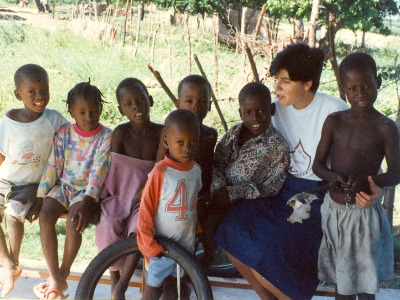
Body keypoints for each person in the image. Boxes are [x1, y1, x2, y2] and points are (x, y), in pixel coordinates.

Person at [213, 43, 383, 300]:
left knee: (276, 245)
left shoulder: (334, 110)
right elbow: (240, 136)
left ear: (307, 83)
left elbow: (369, 162)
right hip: (282, 190)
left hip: (321, 195)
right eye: (276, 80)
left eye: (285, 81)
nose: (277, 88)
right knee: (231, 226)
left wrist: (375, 191)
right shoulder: (272, 109)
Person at [313, 52, 400, 300]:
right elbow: (317, 165)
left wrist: (369, 182)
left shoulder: (385, 127)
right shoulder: (334, 121)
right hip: (335, 214)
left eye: (367, 86)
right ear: (343, 89)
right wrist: (334, 177)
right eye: (352, 88)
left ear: (379, 82)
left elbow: (396, 173)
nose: (360, 93)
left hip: (364, 216)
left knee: (364, 284)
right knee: (343, 284)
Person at [34, 82, 112, 299]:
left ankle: (64, 272)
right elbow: (53, 165)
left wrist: (89, 200)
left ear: (101, 109)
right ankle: (54, 274)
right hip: (63, 186)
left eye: (94, 111)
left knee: (73, 222)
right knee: (45, 216)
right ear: (71, 112)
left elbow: (99, 171)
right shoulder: (64, 134)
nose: (89, 116)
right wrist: (42, 195)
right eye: (82, 112)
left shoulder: (105, 136)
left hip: (86, 193)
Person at [0, 64, 68, 298]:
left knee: (12, 212)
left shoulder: (54, 119)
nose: (40, 97)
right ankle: (7, 263)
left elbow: (71, 142)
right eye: (32, 92)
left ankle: (14, 260)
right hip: (7, 180)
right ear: (18, 94)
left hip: (34, 184)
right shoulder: (7, 122)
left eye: (44, 90)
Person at [95, 78, 163, 299]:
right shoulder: (121, 133)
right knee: (107, 226)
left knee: (138, 229)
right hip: (119, 192)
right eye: (128, 104)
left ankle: (123, 284)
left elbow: (158, 170)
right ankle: (114, 279)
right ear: (121, 109)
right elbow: (111, 169)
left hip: (145, 196)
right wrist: (100, 198)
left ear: (150, 100)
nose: (136, 107)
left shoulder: (161, 133)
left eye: (140, 100)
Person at [205, 81, 289, 254]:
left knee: (215, 219)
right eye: (248, 112)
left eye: (261, 111)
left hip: (248, 199)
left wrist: (233, 192)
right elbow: (218, 161)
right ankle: (201, 250)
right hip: (219, 191)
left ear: (271, 110)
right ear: (240, 113)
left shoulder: (278, 147)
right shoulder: (234, 133)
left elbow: (271, 187)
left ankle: (208, 254)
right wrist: (219, 188)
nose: (255, 118)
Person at [137, 109, 201, 300]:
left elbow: (191, 205)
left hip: (184, 247)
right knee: (152, 292)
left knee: (176, 291)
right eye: (180, 142)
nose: (186, 148)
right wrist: (148, 244)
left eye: (192, 143)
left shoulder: (196, 171)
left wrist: (196, 232)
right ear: (166, 141)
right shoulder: (160, 172)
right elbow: (146, 209)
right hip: (160, 249)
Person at [156, 74, 218, 268]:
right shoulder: (169, 133)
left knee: (209, 224)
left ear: (209, 105)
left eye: (202, 102)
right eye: (189, 101)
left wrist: (206, 194)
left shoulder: (209, 134)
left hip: (199, 193)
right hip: (173, 195)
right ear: (177, 103)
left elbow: (208, 167)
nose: (195, 106)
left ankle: (205, 261)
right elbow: (159, 165)